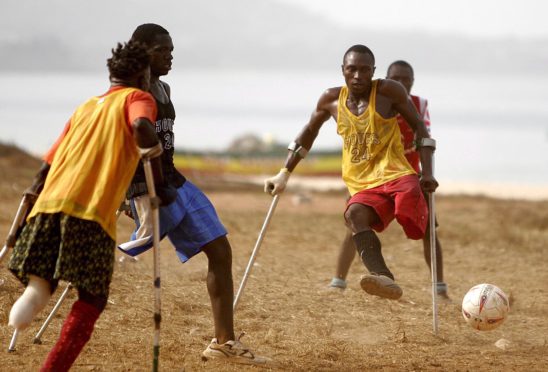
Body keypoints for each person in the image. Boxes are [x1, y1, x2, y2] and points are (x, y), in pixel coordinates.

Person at [7, 41, 170, 371]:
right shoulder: (139, 98)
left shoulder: (85, 107)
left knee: (44, 280)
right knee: (92, 297)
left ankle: (31, 300)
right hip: (90, 213)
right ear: (143, 75)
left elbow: (47, 166)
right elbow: (140, 127)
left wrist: (29, 206)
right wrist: (158, 172)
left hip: (48, 208)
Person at [118, 23, 268, 365]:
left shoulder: (164, 88)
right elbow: (119, 146)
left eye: (172, 50)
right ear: (143, 51)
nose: (171, 56)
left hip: (175, 181)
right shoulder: (127, 93)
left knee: (220, 248)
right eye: (163, 50)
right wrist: (124, 196)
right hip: (147, 186)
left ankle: (223, 342)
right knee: (128, 251)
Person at [264, 45, 438, 300]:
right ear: (343, 71)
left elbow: (421, 130)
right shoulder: (330, 100)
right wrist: (284, 173)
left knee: (410, 217)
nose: (358, 76)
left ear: (373, 72)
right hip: (363, 184)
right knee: (354, 215)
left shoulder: (389, 92)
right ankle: (384, 277)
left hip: (398, 174)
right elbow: (308, 133)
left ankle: (417, 215)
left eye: (365, 70)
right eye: (352, 69)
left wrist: (428, 173)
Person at [328, 60, 449, 299]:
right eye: (397, 78)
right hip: (371, 176)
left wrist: (427, 173)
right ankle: (338, 281)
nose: (402, 83)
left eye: (407, 80)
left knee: (428, 231)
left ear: (412, 83)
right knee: (353, 222)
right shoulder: (378, 99)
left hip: (409, 175)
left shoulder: (416, 105)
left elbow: (423, 135)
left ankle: (439, 288)